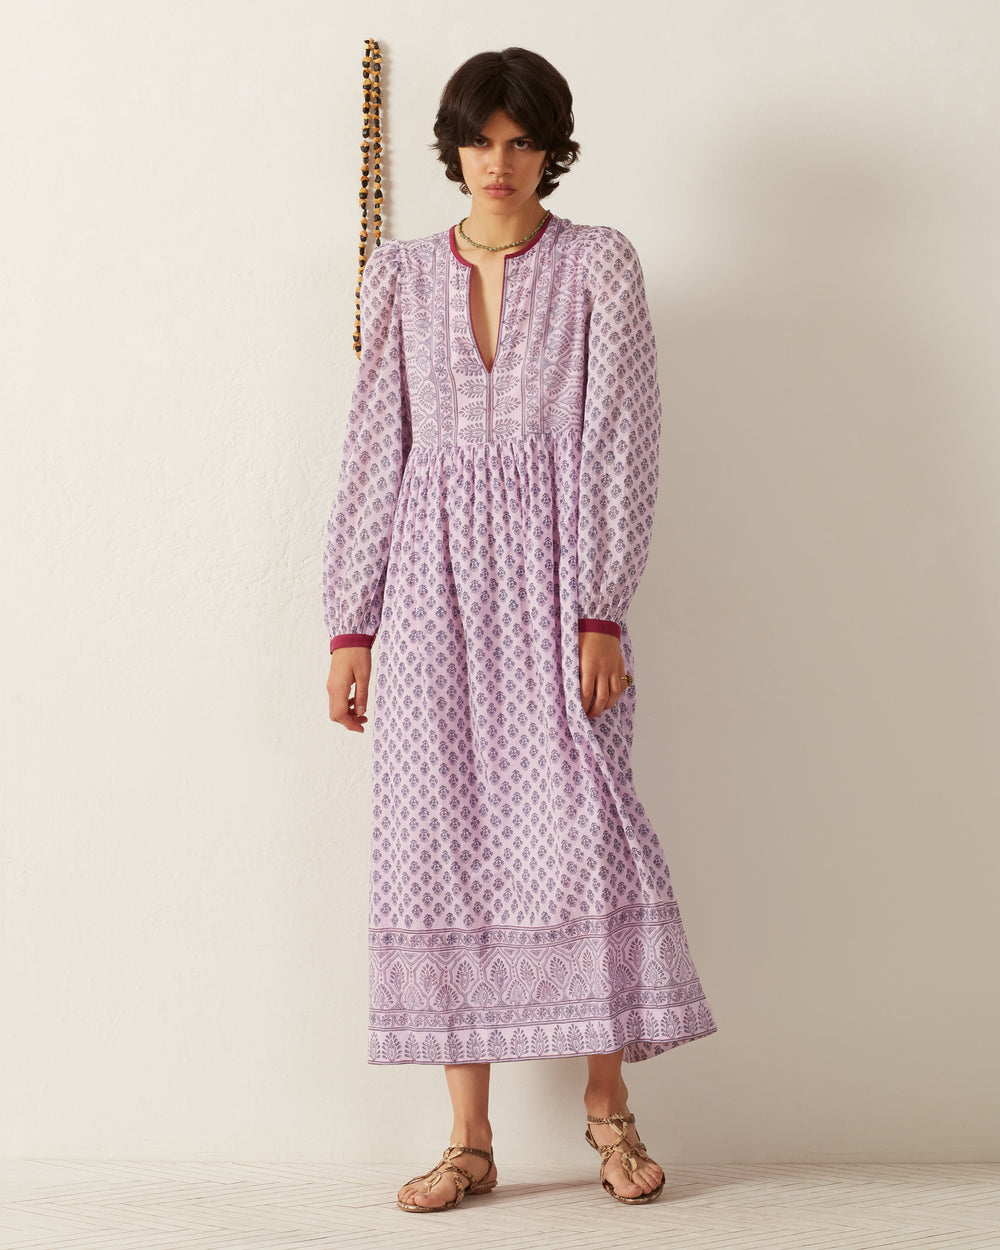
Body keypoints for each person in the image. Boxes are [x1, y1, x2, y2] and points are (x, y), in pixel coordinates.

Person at [323, 47, 718, 1212]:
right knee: (435, 835)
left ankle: (611, 1110)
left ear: (551, 147)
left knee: (587, 821)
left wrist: (601, 603)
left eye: (521, 140)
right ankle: (468, 1139)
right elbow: (371, 448)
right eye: (480, 141)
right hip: (426, 590)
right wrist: (350, 622)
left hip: (557, 588)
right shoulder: (395, 275)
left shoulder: (599, 264)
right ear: (451, 149)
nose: (499, 163)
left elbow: (621, 437)